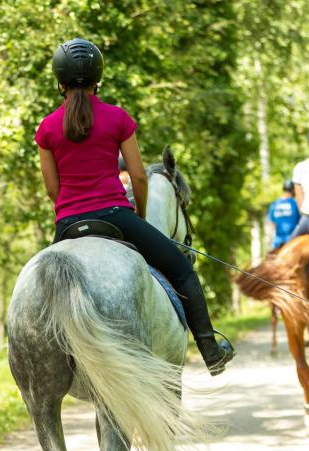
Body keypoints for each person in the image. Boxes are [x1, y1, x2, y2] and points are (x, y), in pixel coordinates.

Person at [35, 38, 234, 375]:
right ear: (99, 77)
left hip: (68, 223)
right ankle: (210, 350)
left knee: (43, 295)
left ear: (60, 80)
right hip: (115, 216)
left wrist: (70, 210)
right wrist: (138, 216)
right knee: (183, 270)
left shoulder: (47, 127)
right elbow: (139, 177)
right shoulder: (117, 118)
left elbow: (52, 188)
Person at [288, 123, 309, 239]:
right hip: (307, 219)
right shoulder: (300, 168)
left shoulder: (300, 167)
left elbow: (300, 201)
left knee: (285, 253)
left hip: (306, 220)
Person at [268, 179, 300, 248]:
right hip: (293, 241)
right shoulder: (295, 204)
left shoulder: (274, 204)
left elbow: (271, 223)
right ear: (293, 190)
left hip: (277, 241)